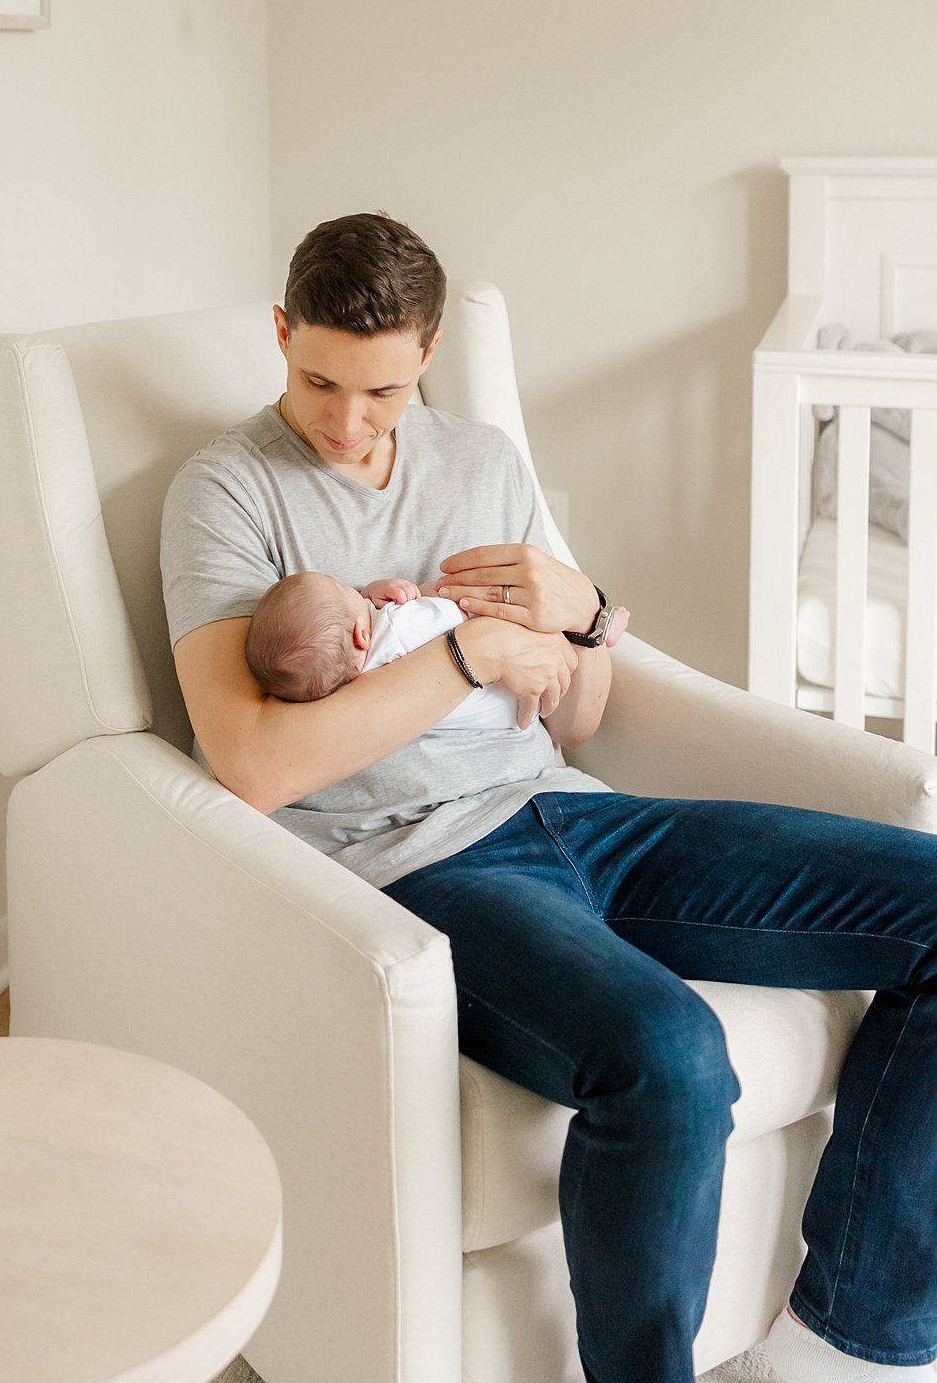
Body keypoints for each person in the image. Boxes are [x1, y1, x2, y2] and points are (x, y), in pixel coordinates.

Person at [160, 211, 937, 1383]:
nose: (344, 420)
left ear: (425, 353)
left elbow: (575, 715)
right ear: (280, 333)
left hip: (577, 812)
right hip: (423, 867)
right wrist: (466, 656)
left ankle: (844, 1345)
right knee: (672, 1059)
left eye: (379, 391)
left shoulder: (480, 461)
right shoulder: (227, 492)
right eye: (318, 379)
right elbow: (254, 766)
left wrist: (584, 612)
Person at [244, 570, 473, 704]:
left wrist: (369, 594)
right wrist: (421, 593)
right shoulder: (395, 627)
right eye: (343, 587)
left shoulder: (350, 687)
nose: (357, 591)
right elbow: (455, 610)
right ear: (361, 636)